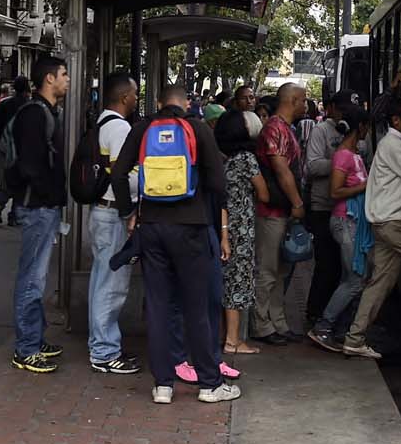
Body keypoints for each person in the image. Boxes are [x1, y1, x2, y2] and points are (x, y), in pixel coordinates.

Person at [111, 82, 237, 404]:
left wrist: (130, 212)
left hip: (152, 227)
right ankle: (210, 384)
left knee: (158, 305)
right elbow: (219, 183)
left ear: (158, 101)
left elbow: (118, 174)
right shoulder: (197, 130)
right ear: (187, 102)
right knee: (196, 305)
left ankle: (163, 385)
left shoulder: (142, 128)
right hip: (192, 228)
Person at [342, 97, 401, 360]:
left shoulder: (392, 143)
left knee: (379, 284)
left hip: (385, 222)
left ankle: (355, 338)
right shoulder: (396, 146)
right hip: (395, 223)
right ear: (396, 121)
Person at [9, 57, 70, 373]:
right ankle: (26, 347)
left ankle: (34, 338)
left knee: (37, 277)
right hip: (37, 207)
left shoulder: (45, 112)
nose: (67, 79)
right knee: (32, 277)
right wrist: (49, 196)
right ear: (49, 79)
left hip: (43, 206)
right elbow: (31, 165)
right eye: (63, 74)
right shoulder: (35, 114)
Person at [85, 73, 142, 375]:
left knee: (101, 281)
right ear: (124, 97)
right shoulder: (120, 128)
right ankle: (105, 352)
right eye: (134, 94)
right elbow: (124, 176)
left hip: (102, 211)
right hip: (113, 213)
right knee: (112, 286)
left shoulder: (102, 123)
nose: (136, 98)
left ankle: (100, 344)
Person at [308, 108, 371, 352]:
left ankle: (340, 330)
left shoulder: (354, 153)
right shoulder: (343, 156)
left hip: (354, 222)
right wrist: (366, 185)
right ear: (361, 127)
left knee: (353, 279)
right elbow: (335, 192)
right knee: (354, 280)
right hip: (345, 221)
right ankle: (324, 327)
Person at [250, 82, 307, 343]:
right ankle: (263, 325)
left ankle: (278, 322)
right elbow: (281, 169)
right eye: (303, 100)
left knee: (280, 271)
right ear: (293, 100)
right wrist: (297, 202)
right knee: (268, 270)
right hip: (271, 210)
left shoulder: (285, 128)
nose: (306, 105)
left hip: (280, 210)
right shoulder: (276, 128)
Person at [215, 96, 261, 356]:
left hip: (222, 226)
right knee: (238, 282)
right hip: (240, 229)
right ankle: (234, 341)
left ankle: (224, 336)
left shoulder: (221, 158)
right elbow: (263, 192)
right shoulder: (246, 159)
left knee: (225, 280)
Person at [302, 92, 347, 327]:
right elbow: (312, 165)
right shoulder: (321, 130)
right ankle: (315, 312)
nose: (344, 114)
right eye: (341, 109)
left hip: (348, 209)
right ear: (330, 108)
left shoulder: (354, 130)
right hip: (323, 205)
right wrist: (343, 164)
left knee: (343, 266)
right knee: (326, 264)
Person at [0, 76, 32, 225]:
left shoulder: (4, 105)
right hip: (24, 150)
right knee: (21, 182)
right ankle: (14, 215)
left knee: (5, 180)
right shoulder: (32, 106)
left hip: (4, 148)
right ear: (27, 89)